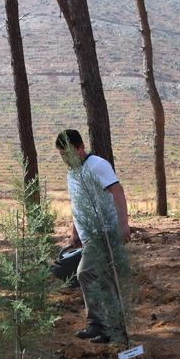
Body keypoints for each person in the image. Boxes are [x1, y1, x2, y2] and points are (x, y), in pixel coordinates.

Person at [56, 129, 131, 345]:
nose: (66, 159)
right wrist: (75, 231)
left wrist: (123, 223)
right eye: (62, 155)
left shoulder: (98, 165)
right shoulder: (72, 173)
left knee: (86, 273)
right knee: (103, 278)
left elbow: (117, 191)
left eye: (69, 153)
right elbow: (77, 202)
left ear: (81, 148)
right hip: (87, 234)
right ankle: (105, 325)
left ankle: (106, 324)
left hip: (104, 231)